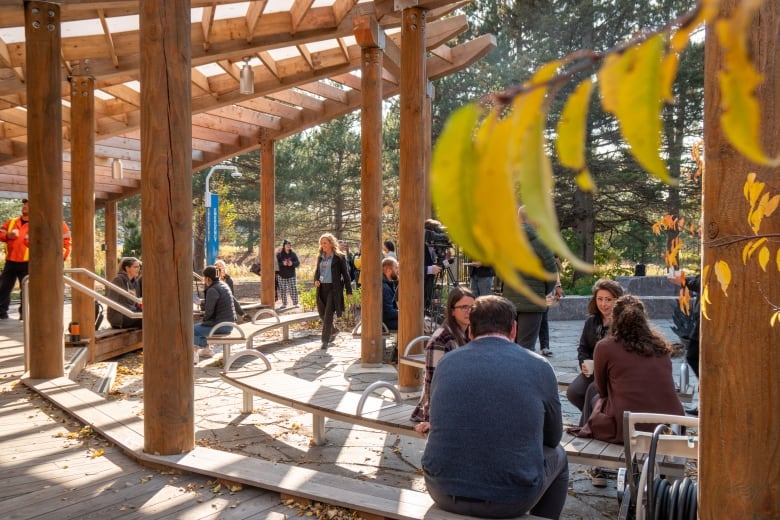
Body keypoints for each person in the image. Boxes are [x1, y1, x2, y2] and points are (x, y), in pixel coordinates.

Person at [421, 295, 568, 519]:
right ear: (514, 329)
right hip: (511, 499)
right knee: (559, 455)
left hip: (440, 488)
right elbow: (553, 437)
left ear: (470, 331)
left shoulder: (446, 363)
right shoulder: (539, 366)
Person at [571, 295, 685, 486]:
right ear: (644, 319)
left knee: (593, 394)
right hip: (668, 426)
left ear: (614, 319)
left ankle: (594, 458)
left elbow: (602, 390)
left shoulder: (605, 347)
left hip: (628, 427)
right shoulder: (661, 347)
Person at [410, 286, 474, 428]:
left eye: (472, 307)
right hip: (442, 406)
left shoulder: (471, 333)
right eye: (464, 307)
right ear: (452, 311)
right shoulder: (441, 339)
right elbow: (433, 381)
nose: (469, 311)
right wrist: (430, 418)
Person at [0, 198, 71, 320]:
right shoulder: (12, 222)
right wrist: (8, 235)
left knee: (27, 290)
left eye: (28, 205)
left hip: (29, 263)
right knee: (3, 287)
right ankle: (1, 312)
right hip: (11, 261)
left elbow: (66, 244)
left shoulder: (44, 223)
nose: (25, 207)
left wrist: (59, 259)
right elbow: (1, 233)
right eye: (24, 205)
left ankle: (25, 314)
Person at [566, 278, 624, 426]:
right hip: (593, 371)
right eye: (600, 299)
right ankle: (595, 419)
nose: (603, 304)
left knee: (593, 395)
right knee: (573, 392)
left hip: (614, 373)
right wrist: (583, 364)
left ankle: (589, 425)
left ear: (618, 300)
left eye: (608, 300)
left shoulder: (623, 322)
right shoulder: (591, 322)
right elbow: (583, 347)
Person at [501, 208, 558, 351]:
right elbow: (551, 271)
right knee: (526, 348)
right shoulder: (541, 242)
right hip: (533, 300)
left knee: (509, 345)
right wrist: (544, 289)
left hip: (510, 300)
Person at [668, 270, 700, 416]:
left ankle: (707, 401)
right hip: (704, 317)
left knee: (695, 356)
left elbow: (706, 282)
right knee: (697, 358)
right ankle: (704, 402)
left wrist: (684, 281)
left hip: (710, 318)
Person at [314, 233, 352, 350]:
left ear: (331, 243)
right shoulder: (320, 256)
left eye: (325, 243)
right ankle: (334, 330)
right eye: (321, 243)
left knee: (328, 315)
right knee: (322, 314)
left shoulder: (339, 257)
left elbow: (346, 275)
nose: (322, 245)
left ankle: (324, 341)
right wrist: (316, 280)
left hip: (334, 289)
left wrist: (348, 291)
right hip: (321, 289)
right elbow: (317, 272)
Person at [193, 265, 237, 361]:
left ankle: (195, 354)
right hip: (229, 323)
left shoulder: (212, 289)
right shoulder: (223, 285)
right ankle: (206, 350)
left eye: (204, 277)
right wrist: (202, 302)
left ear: (208, 278)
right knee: (200, 327)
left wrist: (203, 320)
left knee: (193, 329)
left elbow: (209, 312)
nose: (203, 280)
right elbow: (216, 302)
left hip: (221, 326)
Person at [106, 257, 143, 329]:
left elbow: (136, 302)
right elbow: (111, 300)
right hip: (120, 316)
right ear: (127, 268)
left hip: (131, 314)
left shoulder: (135, 282)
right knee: (148, 320)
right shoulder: (118, 280)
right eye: (135, 267)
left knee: (152, 315)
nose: (138, 269)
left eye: (138, 267)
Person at [538, 259, 564, 357]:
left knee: (543, 318)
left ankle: (544, 346)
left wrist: (558, 286)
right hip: (530, 290)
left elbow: (554, 269)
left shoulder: (548, 251)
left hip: (547, 291)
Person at [423, 219, 444, 309]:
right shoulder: (418, 247)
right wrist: (430, 269)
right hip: (417, 291)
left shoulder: (433, 247)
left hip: (427, 289)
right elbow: (409, 269)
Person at [276, 240, 300, 308]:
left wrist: (292, 263)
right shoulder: (279, 254)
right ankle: (284, 304)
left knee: (293, 289)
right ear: (284, 245)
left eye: (289, 244)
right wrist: (282, 263)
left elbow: (298, 263)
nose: (288, 246)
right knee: (282, 289)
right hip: (281, 275)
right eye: (286, 244)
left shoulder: (293, 254)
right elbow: (276, 264)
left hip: (291, 275)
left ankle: (296, 303)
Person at [381, 256, 399, 331]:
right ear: (388, 270)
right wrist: (404, 312)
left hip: (384, 321)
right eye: (396, 268)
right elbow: (388, 312)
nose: (398, 271)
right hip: (385, 323)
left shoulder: (386, 284)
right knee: (413, 323)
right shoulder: (385, 287)